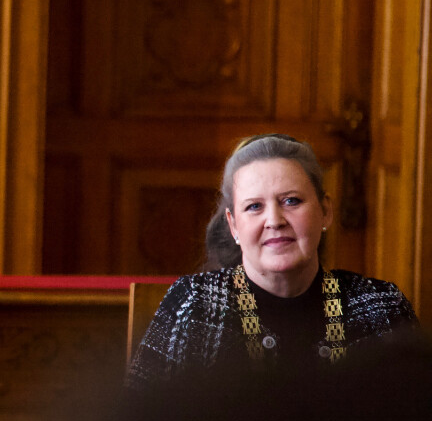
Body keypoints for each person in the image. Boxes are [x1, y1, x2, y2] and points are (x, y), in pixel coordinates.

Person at [127, 134, 418, 387]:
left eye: (291, 201)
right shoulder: (194, 304)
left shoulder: (383, 307)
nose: (274, 221)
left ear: (325, 211)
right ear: (233, 226)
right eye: (254, 207)